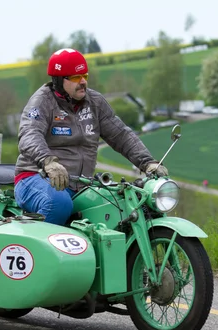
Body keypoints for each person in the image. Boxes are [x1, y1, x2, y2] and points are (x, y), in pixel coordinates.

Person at [13, 48, 168, 225]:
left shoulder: (95, 102)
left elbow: (121, 134)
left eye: (85, 76)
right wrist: (48, 162)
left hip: (80, 184)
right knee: (59, 204)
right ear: (58, 80)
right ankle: (38, 251)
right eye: (75, 78)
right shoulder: (42, 102)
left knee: (121, 207)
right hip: (35, 177)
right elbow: (29, 134)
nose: (83, 82)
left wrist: (147, 162)